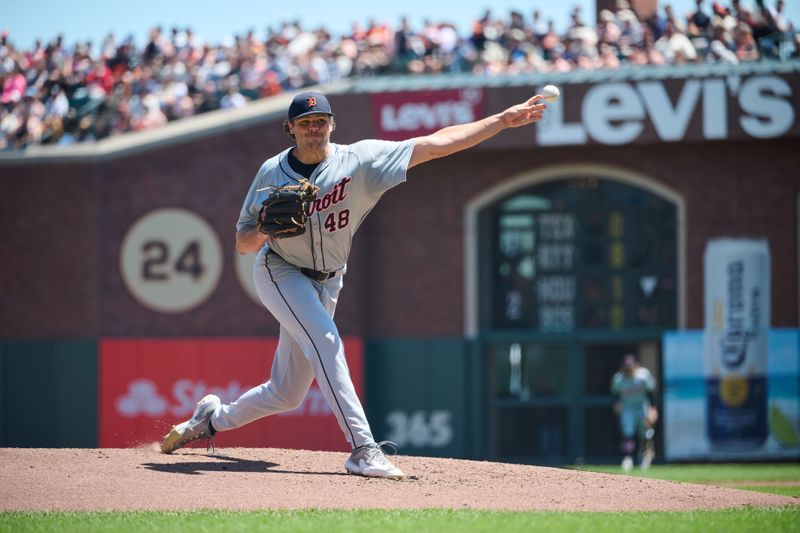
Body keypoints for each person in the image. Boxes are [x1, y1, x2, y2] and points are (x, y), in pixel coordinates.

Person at [160, 90, 548, 478]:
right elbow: (244, 245)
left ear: (332, 124)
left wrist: (499, 121)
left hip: (329, 280)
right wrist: (263, 227)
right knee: (326, 342)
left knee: (287, 392)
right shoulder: (271, 172)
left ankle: (209, 421)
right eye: (305, 123)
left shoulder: (361, 160)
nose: (314, 129)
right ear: (290, 129)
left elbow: (435, 145)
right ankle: (363, 448)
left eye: (321, 121)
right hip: (280, 271)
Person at [611, 354, 657, 471]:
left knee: (646, 433)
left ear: (636, 365)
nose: (628, 369)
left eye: (630, 366)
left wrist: (653, 408)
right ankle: (627, 458)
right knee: (628, 433)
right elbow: (615, 394)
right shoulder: (619, 378)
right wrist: (616, 403)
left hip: (642, 406)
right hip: (627, 407)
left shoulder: (643, 375)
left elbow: (651, 392)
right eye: (626, 367)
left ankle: (645, 456)